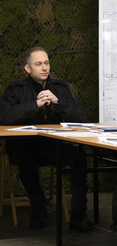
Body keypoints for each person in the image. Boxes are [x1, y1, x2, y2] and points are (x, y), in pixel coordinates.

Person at [0, 47, 93, 231]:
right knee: (26, 158)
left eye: (47, 63)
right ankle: (38, 207)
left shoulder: (59, 88)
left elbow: (80, 115)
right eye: (38, 64)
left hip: (52, 147)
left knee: (78, 155)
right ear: (28, 68)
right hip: (23, 147)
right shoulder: (16, 89)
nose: (44, 68)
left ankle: (78, 213)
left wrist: (59, 102)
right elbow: (4, 116)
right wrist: (35, 105)